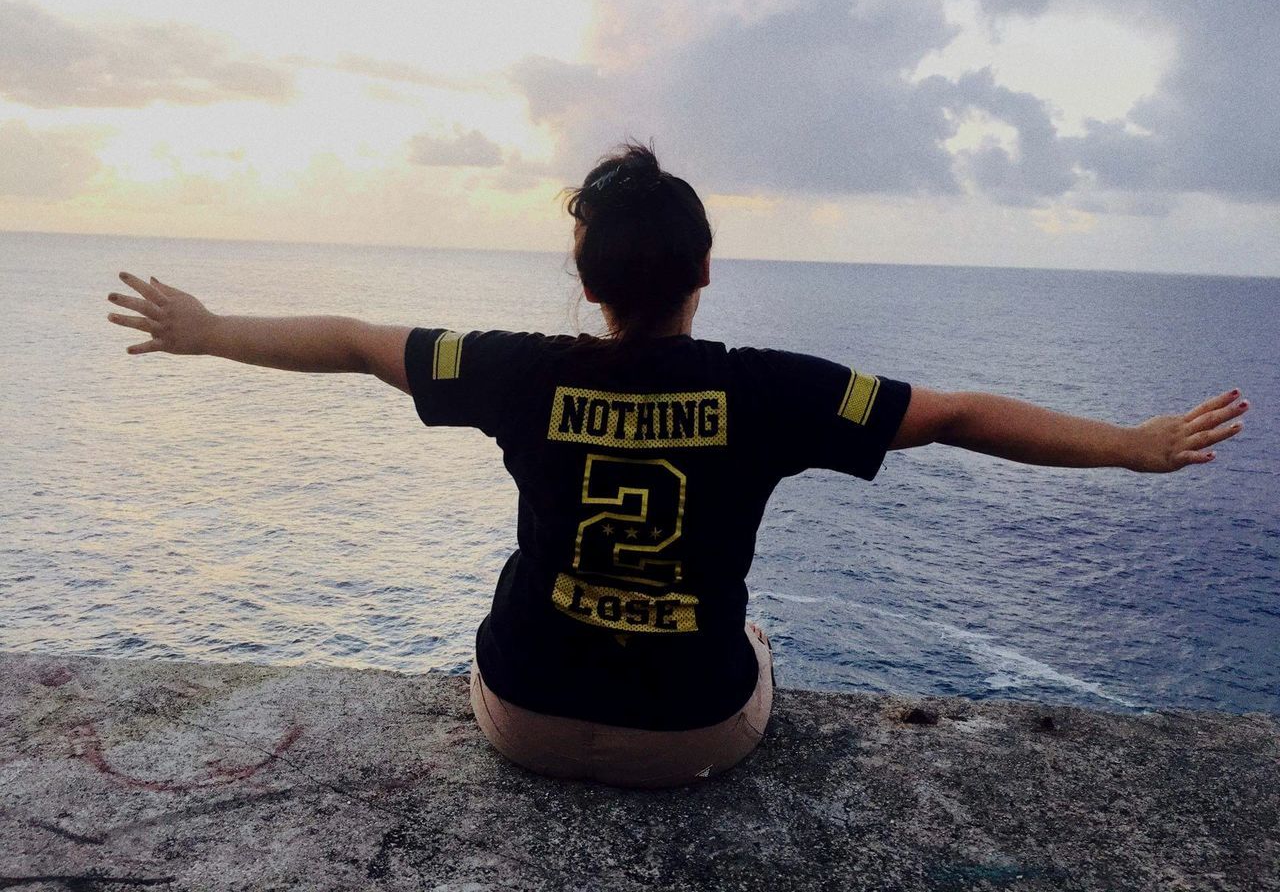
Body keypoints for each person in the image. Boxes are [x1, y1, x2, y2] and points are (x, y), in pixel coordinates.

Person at [106, 142, 1248, 789]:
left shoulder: (519, 373)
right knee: (751, 633)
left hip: (522, 715)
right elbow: (950, 415)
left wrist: (208, 331)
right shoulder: (768, 390)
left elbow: (357, 345)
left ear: (586, 280)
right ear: (704, 267)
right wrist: (1129, 448)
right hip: (692, 735)